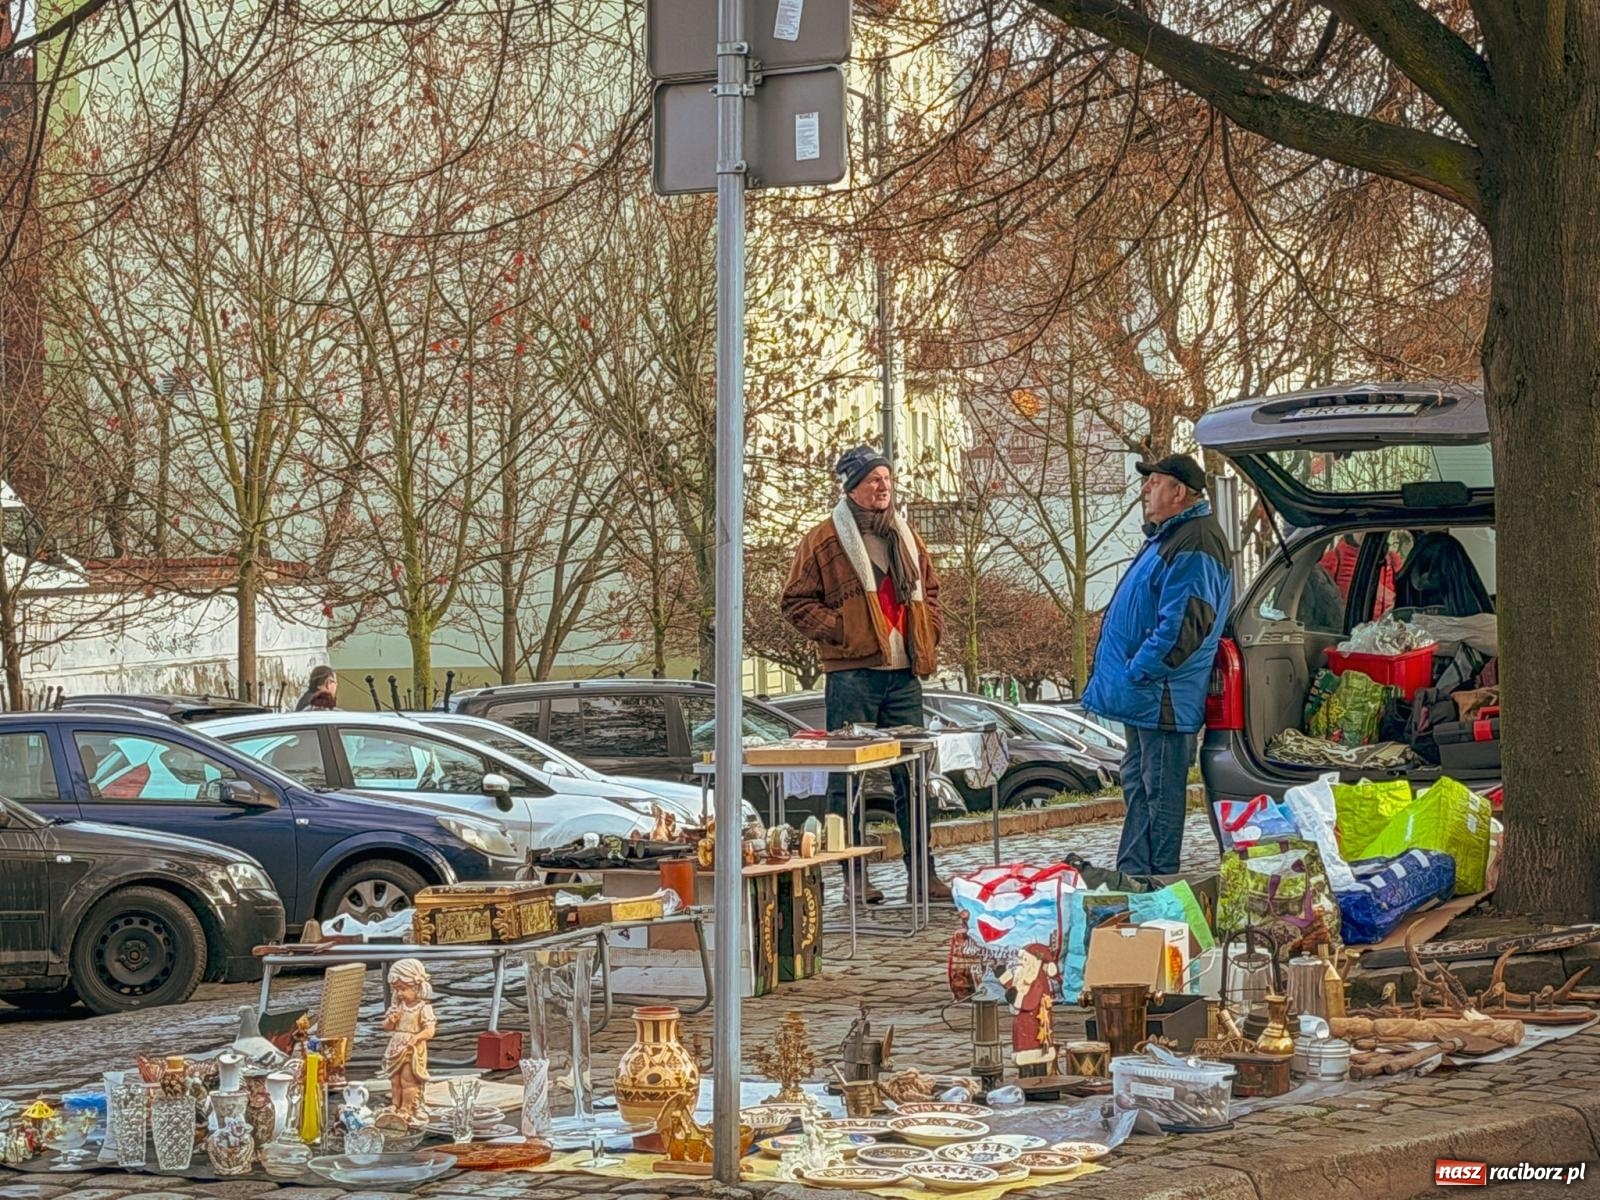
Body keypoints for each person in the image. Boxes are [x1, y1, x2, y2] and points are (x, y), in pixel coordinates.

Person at [782, 444, 951, 903]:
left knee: (913, 780)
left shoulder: (907, 536)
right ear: (852, 486)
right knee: (848, 782)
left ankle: (923, 874)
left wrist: (929, 629)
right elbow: (795, 602)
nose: (884, 486)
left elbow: (930, 591)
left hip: (904, 671)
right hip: (851, 674)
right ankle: (854, 878)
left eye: (887, 478)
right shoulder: (823, 539)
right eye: (874, 479)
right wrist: (841, 630)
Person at [1084, 453, 1232, 876]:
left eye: (1154, 482)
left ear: (1178, 492)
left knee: (1160, 792)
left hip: (1161, 695)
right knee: (1138, 785)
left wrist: (1140, 669)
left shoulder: (1196, 539)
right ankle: (1132, 875)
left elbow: (1186, 624)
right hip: (1145, 694)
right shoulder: (1170, 536)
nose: (1146, 490)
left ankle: (1158, 881)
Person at [382, 958, 436, 1118]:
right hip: (396, 1047)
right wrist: (391, 1020)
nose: (399, 993)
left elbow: (430, 1030)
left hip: (411, 1048)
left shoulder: (423, 1008)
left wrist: (417, 1038)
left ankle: (407, 1108)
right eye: (396, 989)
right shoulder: (398, 1007)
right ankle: (395, 1105)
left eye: (403, 989)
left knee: (408, 1080)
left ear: (417, 987)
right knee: (394, 1080)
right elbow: (387, 1027)